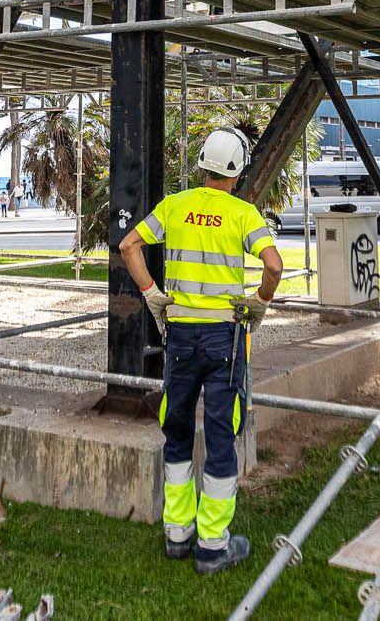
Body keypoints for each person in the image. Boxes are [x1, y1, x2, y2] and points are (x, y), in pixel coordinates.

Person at [119, 127, 283, 576]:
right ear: (238, 170)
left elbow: (128, 245)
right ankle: (213, 544)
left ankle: (177, 534)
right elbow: (273, 265)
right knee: (220, 435)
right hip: (224, 339)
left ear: (204, 164)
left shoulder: (175, 206)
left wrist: (153, 294)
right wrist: (260, 304)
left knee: (176, 429)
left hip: (182, 337)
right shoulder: (243, 213)